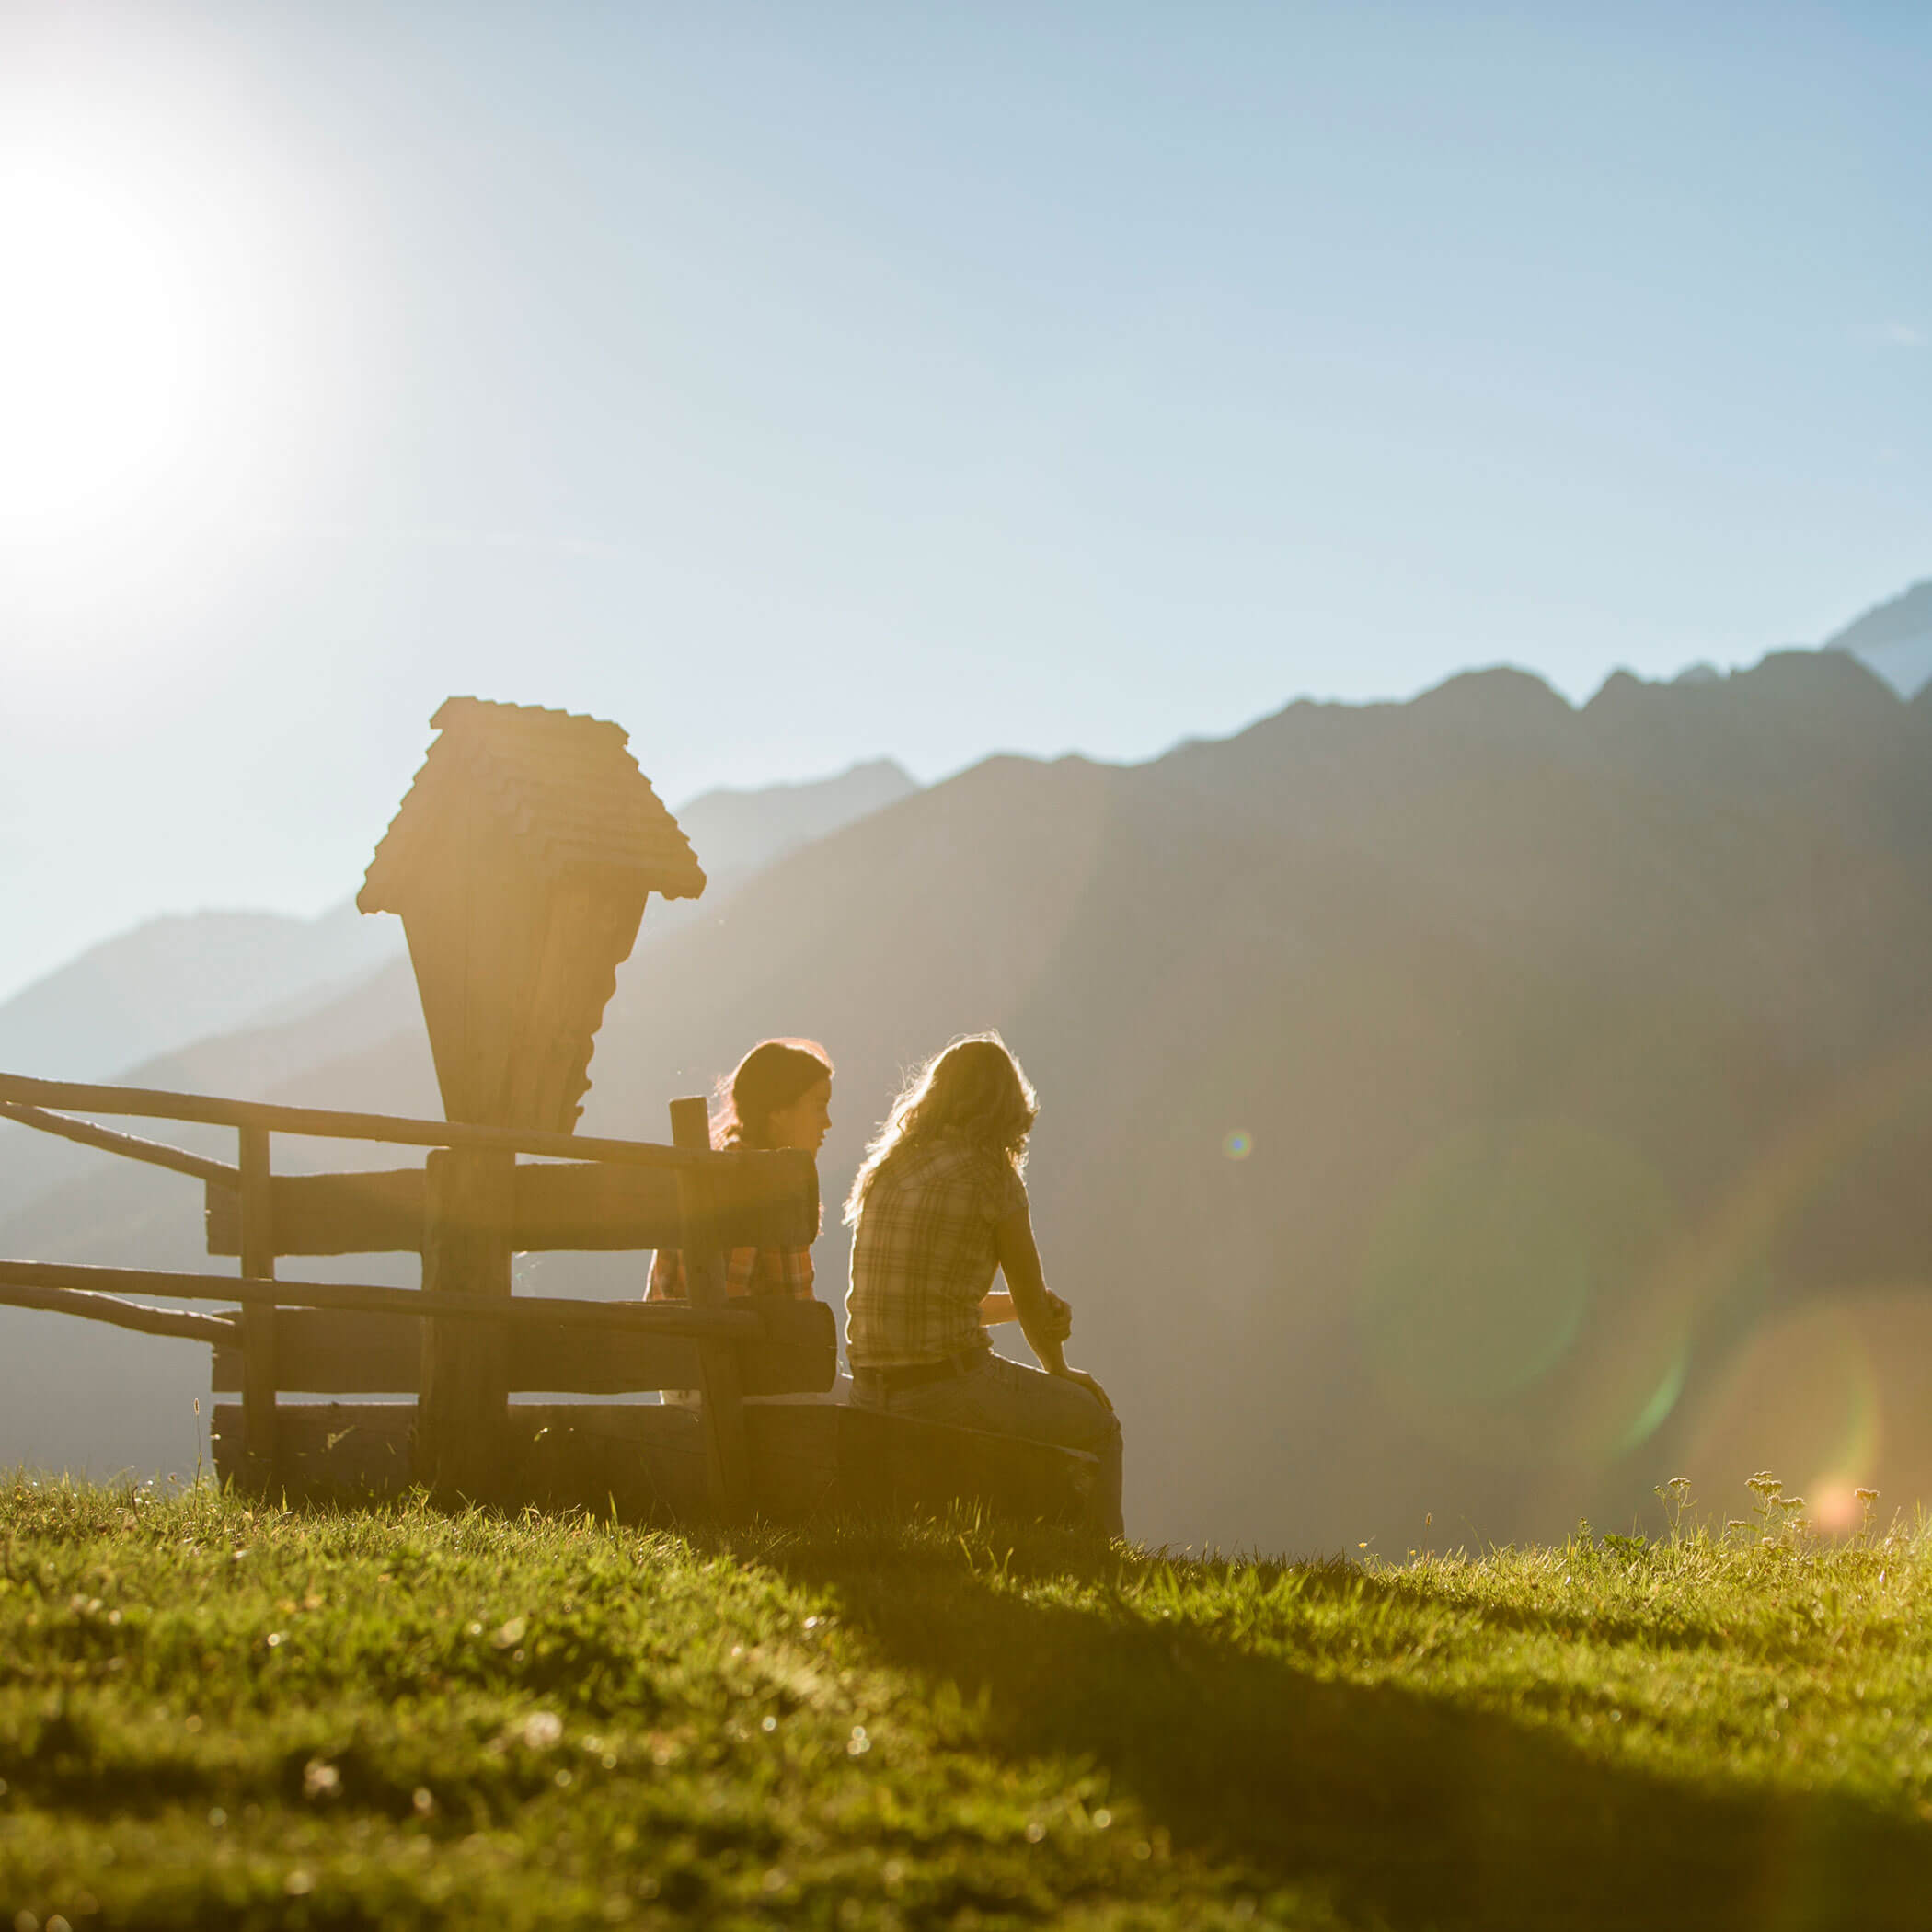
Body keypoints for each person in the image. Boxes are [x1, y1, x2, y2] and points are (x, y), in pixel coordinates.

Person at [844, 1032, 1123, 1537]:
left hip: (871, 1388)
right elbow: (1031, 1292)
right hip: (946, 1387)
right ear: (1009, 1109)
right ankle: (1106, 1556)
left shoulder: (888, 1169)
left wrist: (1019, 1308)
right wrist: (1057, 1367)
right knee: (1097, 1423)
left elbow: (930, 1298)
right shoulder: (991, 1176)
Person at [647, 1037, 833, 1304]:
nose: (827, 1122)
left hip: (667, 1341)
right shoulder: (777, 1185)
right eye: (819, 1106)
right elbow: (798, 1309)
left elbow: (657, 1292)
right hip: (730, 1344)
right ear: (778, 1110)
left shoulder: (696, 1174)